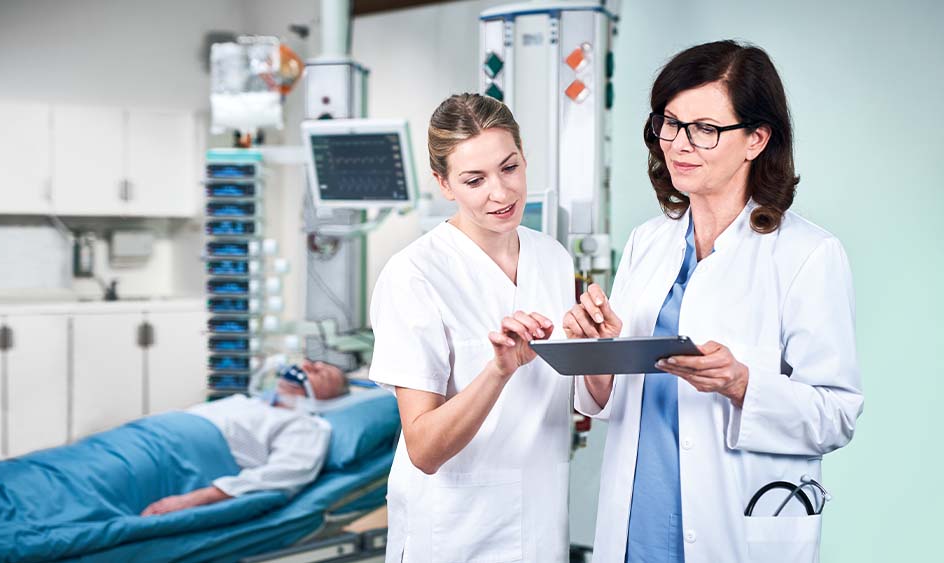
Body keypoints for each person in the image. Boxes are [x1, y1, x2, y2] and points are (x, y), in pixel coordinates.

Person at [566, 41, 864, 562]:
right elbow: (616, 402)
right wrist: (599, 350)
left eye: (705, 129)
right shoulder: (647, 243)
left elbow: (836, 415)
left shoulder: (807, 255)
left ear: (756, 139)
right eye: (670, 122)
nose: (679, 144)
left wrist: (742, 383)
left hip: (735, 525)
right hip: (637, 523)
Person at [368, 93, 576, 562]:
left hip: (540, 523)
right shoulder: (415, 275)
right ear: (444, 184)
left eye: (510, 167)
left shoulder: (553, 259)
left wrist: (595, 345)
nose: (501, 193)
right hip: (453, 531)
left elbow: (576, 398)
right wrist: (498, 371)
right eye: (474, 180)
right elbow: (423, 448)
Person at [140, 360, 346, 516]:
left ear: (328, 399)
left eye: (321, 373)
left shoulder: (306, 426)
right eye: (310, 362)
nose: (306, 365)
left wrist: (194, 499)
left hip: (169, 455)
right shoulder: (250, 402)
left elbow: (281, 474)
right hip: (148, 433)